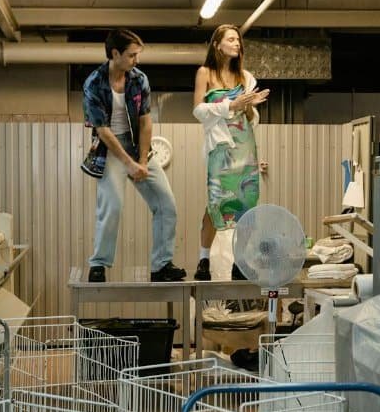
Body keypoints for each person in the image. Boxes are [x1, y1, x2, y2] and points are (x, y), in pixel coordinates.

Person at [82, 29, 186, 283]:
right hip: (110, 150)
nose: (136, 60)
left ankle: (161, 266)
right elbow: (103, 131)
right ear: (115, 54)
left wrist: (141, 161)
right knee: (112, 205)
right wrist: (127, 164)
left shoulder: (139, 79)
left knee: (166, 204)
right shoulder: (93, 84)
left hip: (139, 148)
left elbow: (146, 121)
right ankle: (98, 265)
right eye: (131, 55)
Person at [191, 24, 269, 281]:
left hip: (244, 144)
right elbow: (198, 111)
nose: (237, 44)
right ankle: (203, 260)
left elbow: (249, 117)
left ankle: (240, 261)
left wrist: (248, 106)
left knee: (247, 202)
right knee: (217, 201)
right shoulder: (205, 73)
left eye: (238, 40)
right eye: (232, 39)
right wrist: (230, 105)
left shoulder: (245, 77)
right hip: (220, 147)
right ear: (217, 44)